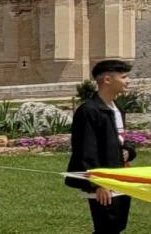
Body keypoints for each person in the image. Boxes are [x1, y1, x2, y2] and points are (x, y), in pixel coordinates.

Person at [66, 59, 138, 233]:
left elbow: (119, 140)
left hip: (121, 177)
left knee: (117, 226)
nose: (128, 81)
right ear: (107, 80)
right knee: (107, 227)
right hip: (103, 182)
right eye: (124, 77)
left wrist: (128, 151)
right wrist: (98, 184)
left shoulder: (117, 108)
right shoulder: (89, 111)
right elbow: (85, 150)